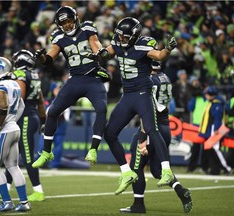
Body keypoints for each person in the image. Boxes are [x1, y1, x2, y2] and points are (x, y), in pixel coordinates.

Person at [91, 17, 177, 194]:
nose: (121, 39)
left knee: (152, 130)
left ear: (135, 35)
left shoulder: (143, 45)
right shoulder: (118, 43)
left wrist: (168, 48)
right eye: (120, 36)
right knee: (110, 133)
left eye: (125, 36)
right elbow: (106, 53)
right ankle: (126, 171)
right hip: (127, 95)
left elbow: (159, 55)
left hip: (143, 93)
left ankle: (166, 170)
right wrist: (97, 52)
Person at [32, 6, 110, 168]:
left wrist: (99, 52)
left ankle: (93, 150)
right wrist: (42, 58)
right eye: (64, 22)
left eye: (69, 21)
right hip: (75, 80)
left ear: (75, 19)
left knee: (102, 109)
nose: (67, 25)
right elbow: (51, 56)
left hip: (93, 78)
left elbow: (95, 43)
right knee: (52, 111)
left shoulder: (87, 28)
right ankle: (46, 151)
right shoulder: (58, 36)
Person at [119, 61, 193, 213]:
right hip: (165, 127)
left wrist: (142, 139)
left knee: (136, 166)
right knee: (157, 170)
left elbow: (147, 111)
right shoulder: (165, 77)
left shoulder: (148, 81)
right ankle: (181, 190)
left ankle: (138, 205)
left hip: (151, 128)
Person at [0, 50, 47, 202]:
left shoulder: (21, 75)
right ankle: (7, 186)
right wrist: (43, 121)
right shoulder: (34, 75)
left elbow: (18, 99)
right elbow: (41, 101)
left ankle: (38, 190)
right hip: (32, 116)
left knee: (27, 155)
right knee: (12, 155)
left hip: (25, 117)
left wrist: (8, 117)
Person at [0, 57, 31, 212]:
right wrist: (12, 121)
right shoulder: (15, 84)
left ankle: (7, 201)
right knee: (13, 166)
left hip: (3, 131)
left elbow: (3, 105)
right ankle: (24, 202)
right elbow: (21, 106)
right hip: (13, 129)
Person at [198, 86, 232, 175]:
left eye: (206, 94)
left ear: (210, 94)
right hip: (211, 129)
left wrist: (216, 129)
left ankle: (226, 168)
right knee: (211, 150)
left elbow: (217, 118)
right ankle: (215, 170)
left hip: (214, 130)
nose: (205, 96)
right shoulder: (213, 102)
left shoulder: (217, 104)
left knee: (216, 149)